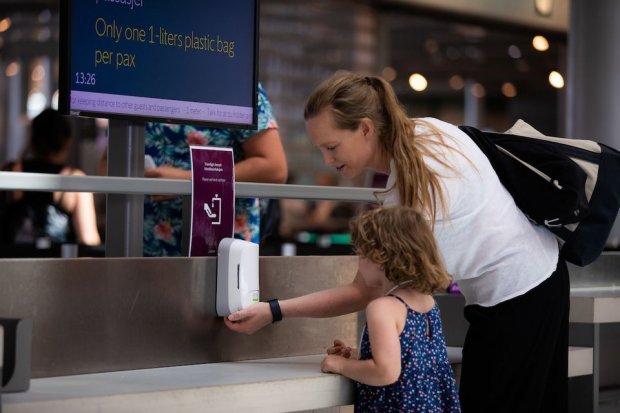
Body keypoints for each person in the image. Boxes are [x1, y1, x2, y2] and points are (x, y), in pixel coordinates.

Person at [225, 71, 568, 413]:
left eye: (332, 147)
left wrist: (274, 311)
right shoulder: (427, 131)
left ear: (365, 128)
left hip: (519, 297)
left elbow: (366, 289)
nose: (327, 161)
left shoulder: (413, 188)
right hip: (541, 277)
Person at [321, 206, 460, 412]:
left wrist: (340, 365)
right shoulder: (426, 300)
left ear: (377, 258)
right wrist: (356, 354)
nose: (358, 264)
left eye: (360, 254)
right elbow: (409, 356)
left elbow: (386, 371)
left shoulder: (382, 307)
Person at [141, 83, 287, 256]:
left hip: (219, 247)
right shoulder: (143, 77)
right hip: (142, 242)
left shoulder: (236, 82)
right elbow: (109, 159)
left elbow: (274, 167)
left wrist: (189, 179)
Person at [0, 108, 101, 247]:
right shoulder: (74, 180)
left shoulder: (11, 172)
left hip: (12, 265)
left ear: (32, 139)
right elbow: (88, 240)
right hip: (57, 267)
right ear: (67, 142)